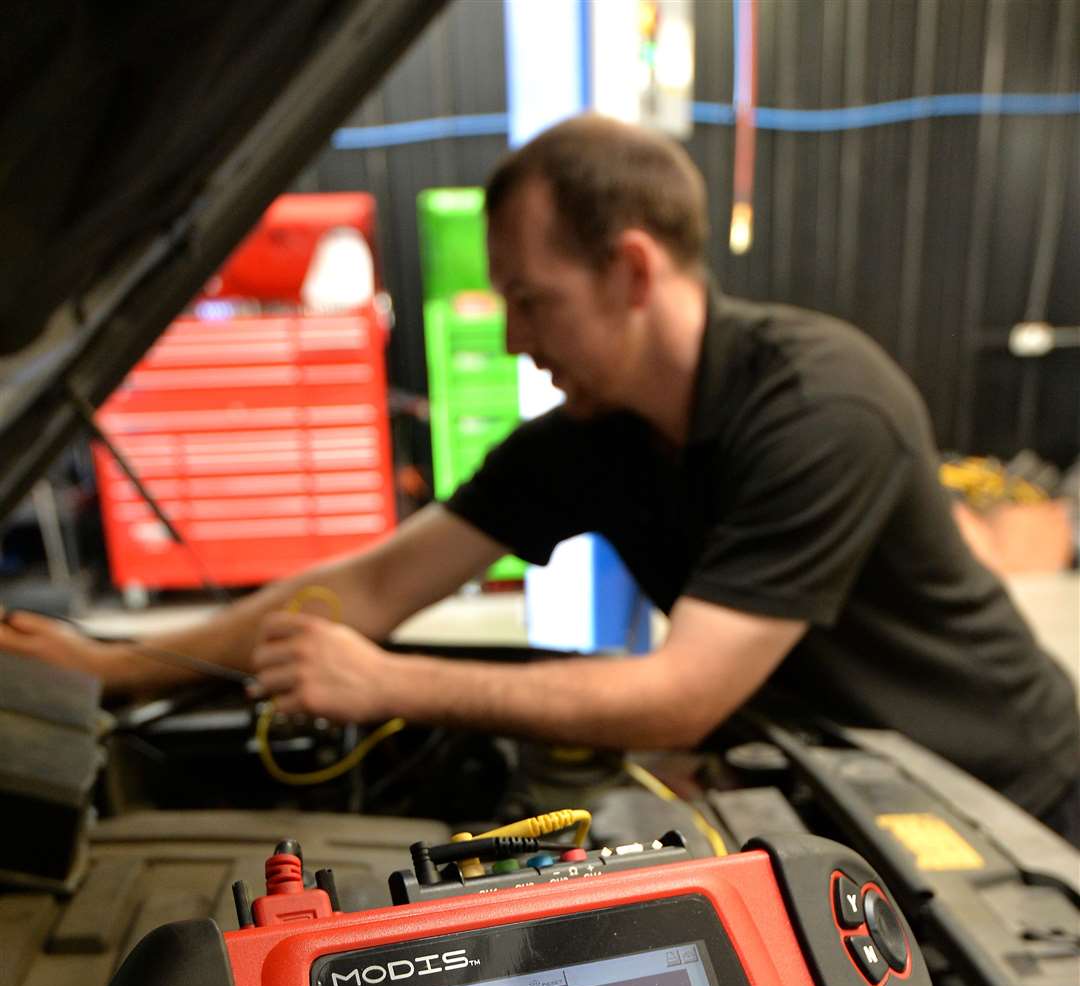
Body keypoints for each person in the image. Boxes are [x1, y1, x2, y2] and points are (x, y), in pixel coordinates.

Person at [1, 116, 1078, 839]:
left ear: (632, 269)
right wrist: (113, 665)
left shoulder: (821, 405)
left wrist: (391, 681)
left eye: (532, 298)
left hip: (1005, 798)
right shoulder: (589, 434)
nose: (514, 337)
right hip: (834, 785)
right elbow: (372, 585)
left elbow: (685, 685)